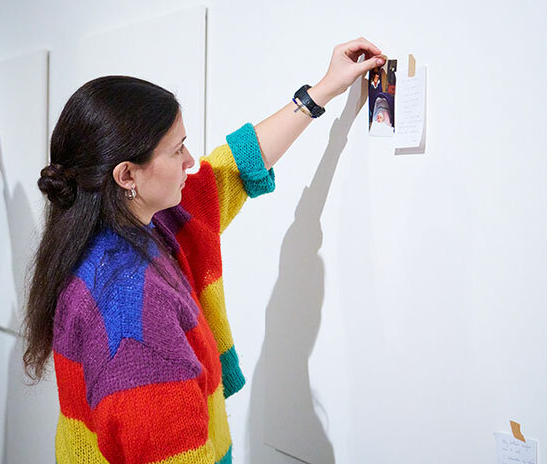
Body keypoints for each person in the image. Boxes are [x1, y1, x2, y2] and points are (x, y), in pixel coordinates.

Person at [23, 38, 384, 463]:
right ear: (127, 175)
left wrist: (322, 90)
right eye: (177, 150)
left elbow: (232, 166)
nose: (191, 160)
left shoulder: (132, 227)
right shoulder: (130, 304)